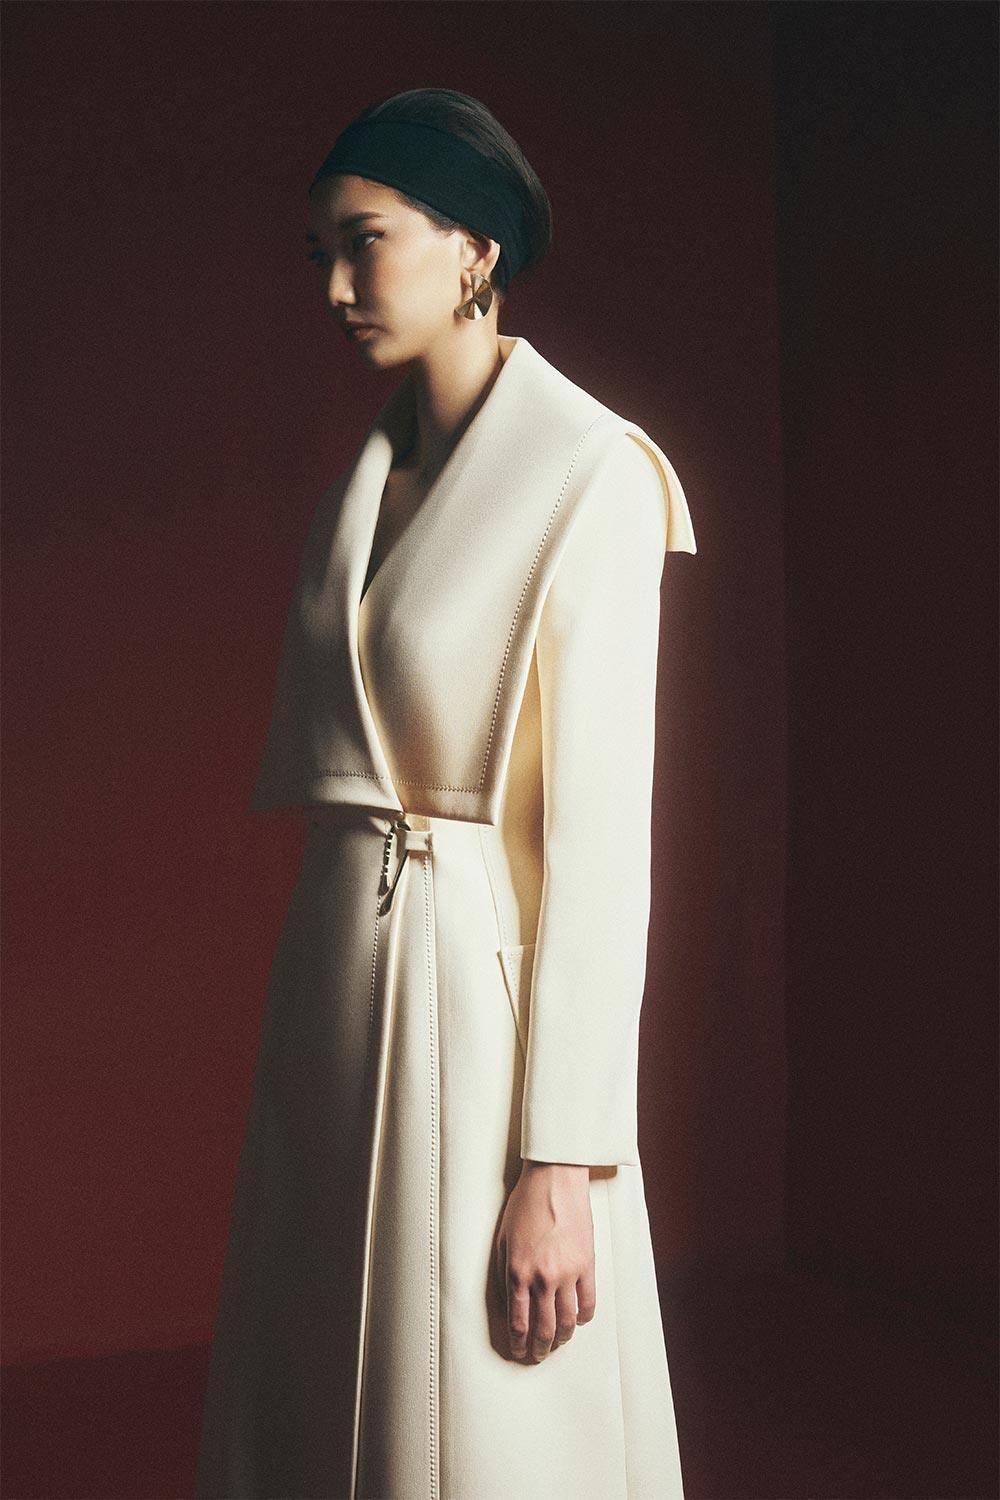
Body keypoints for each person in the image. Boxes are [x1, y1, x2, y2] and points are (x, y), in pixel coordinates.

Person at [194, 86, 697, 1500]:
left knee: (480, 1424)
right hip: (333, 998)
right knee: (309, 1403)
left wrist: (564, 1163)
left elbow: (600, 844)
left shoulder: (590, 475)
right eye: (321, 255)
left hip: (475, 1025)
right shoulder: (368, 483)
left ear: (475, 246)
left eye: (366, 241)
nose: (337, 287)